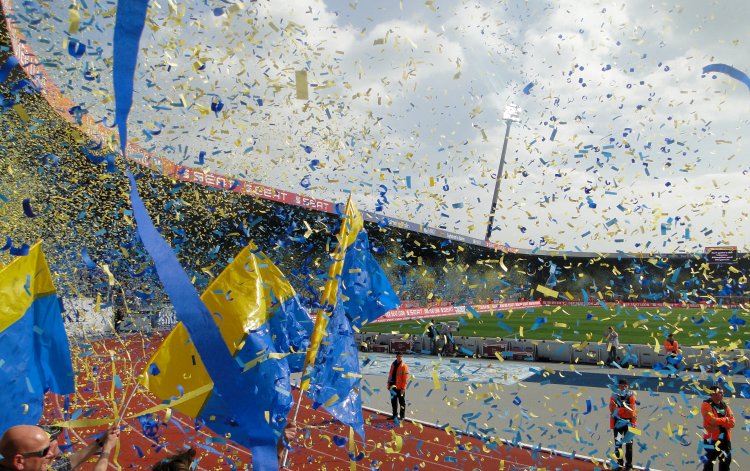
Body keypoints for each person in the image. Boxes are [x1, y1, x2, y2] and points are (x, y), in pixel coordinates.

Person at [0, 424, 119, 471]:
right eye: (45, 451)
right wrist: (107, 450)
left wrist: (102, 440)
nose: (51, 454)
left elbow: (70, 462)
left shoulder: (29, 466)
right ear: (19, 461)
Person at [701, 385, 735, 471]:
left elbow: (732, 423)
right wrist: (725, 420)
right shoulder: (706, 405)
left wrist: (721, 421)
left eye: (722, 393)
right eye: (720, 393)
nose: (722, 395)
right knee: (709, 464)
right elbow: (711, 420)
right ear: (713, 394)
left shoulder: (725, 406)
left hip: (725, 440)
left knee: (726, 463)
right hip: (712, 440)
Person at [609, 378, 636, 470]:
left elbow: (632, 412)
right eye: (622, 386)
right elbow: (612, 410)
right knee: (618, 445)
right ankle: (620, 464)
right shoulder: (614, 396)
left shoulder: (631, 396)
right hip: (618, 424)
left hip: (630, 425)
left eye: (626, 386)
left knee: (629, 446)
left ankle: (629, 466)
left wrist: (619, 410)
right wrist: (625, 410)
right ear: (618, 387)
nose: (624, 387)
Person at [386, 352, 409, 421]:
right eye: (398, 356)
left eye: (401, 356)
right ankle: (394, 415)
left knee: (402, 402)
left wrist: (403, 388)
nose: (400, 357)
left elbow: (405, 379)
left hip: (400, 388)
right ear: (396, 356)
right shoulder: (393, 364)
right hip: (392, 387)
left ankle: (402, 416)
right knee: (393, 402)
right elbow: (390, 375)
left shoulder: (404, 366)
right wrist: (388, 385)